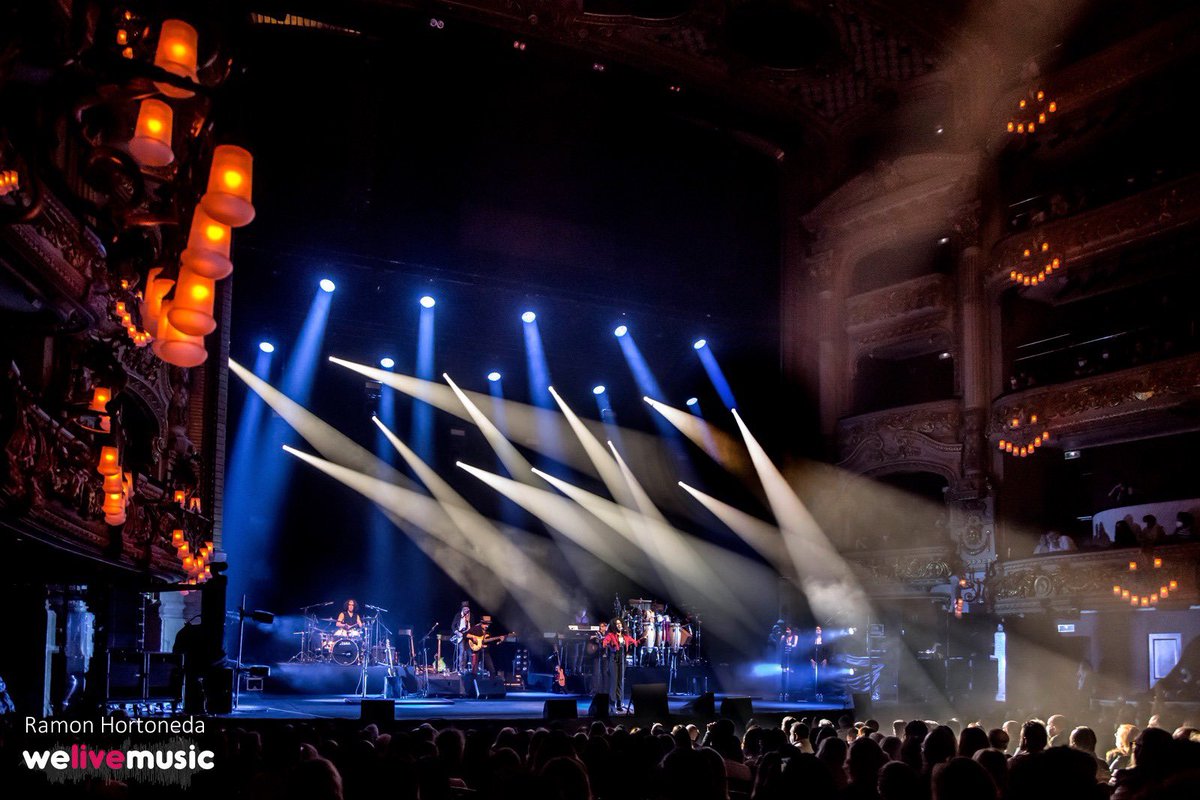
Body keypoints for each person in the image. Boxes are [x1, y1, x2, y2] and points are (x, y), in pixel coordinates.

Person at [602, 617, 636, 711]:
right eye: (617, 624)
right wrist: (608, 644)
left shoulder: (625, 635)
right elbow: (605, 642)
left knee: (621, 681)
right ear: (614, 626)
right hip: (614, 658)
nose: (619, 625)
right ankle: (612, 702)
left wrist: (640, 640)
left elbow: (633, 642)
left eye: (620, 623)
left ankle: (619, 702)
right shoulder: (611, 635)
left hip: (622, 659)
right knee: (614, 680)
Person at [589, 621, 609, 695]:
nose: (601, 628)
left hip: (605, 655)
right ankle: (595, 690)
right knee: (596, 672)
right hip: (597, 655)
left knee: (605, 673)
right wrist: (595, 638)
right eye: (600, 626)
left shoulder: (608, 635)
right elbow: (591, 642)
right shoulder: (596, 634)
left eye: (603, 626)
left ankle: (605, 690)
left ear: (606, 627)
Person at [811, 626, 830, 700]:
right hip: (815, 661)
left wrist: (825, 659)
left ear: (821, 631)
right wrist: (811, 660)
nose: (818, 630)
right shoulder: (812, 640)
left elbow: (828, 650)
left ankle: (821, 693)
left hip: (822, 661)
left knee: (822, 677)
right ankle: (816, 693)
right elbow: (809, 650)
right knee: (815, 677)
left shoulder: (825, 640)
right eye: (817, 629)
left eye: (819, 629)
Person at [780, 626, 799, 700]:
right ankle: (783, 691)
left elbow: (795, 645)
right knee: (784, 674)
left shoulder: (795, 637)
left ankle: (790, 692)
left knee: (791, 674)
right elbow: (780, 646)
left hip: (792, 657)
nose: (787, 631)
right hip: (784, 657)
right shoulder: (783, 637)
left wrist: (790, 645)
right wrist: (782, 639)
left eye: (788, 630)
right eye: (786, 630)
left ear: (791, 630)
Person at [452, 602, 471, 672]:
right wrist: (457, 632)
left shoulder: (471, 616)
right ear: (462, 609)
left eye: (467, 609)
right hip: (460, 635)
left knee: (467, 652)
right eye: (465, 609)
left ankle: (466, 668)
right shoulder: (458, 615)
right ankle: (461, 668)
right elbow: (453, 625)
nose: (466, 610)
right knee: (462, 651)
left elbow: (472, 625)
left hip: (468, 635)